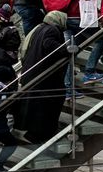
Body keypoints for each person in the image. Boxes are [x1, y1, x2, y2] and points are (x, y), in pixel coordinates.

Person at [16, 10, 69, 141]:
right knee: (48, 104)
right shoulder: (52, 30)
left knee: (37, 105)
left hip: (32, 73)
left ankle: (36, 133)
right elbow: (49, 45)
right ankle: (41, 134)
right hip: (43, 76)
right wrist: (67, 49)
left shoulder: (39, 28)